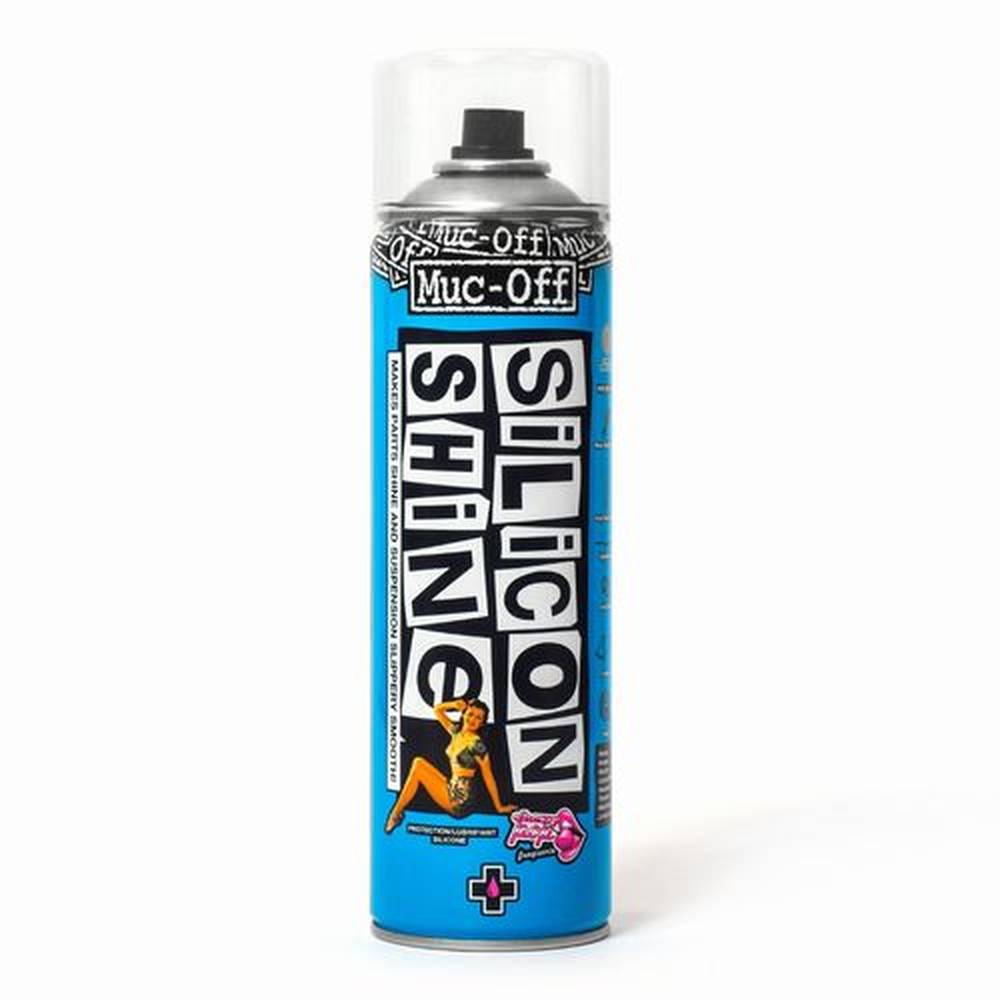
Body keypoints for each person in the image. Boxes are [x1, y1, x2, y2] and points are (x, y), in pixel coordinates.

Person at [385, 697, 516, 833]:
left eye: (478, 718)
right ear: (463, 714)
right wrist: (454, 704)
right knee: (419, 763)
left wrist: (499, 807)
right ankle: (396, 813)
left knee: (418, 765)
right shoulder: (456, 733)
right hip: (451, 787)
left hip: (461, 801)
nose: (472, 720)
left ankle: (395, 814)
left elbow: (488, 775)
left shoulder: (477, 745)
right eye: (470, 714)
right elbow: (437, 710)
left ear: (482, 723)